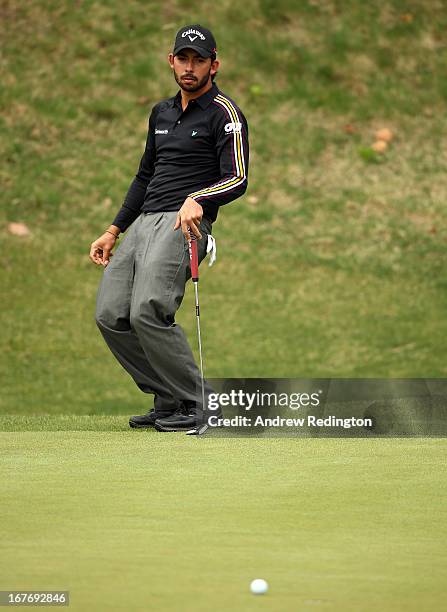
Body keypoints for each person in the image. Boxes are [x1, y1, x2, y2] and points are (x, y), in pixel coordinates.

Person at [90, 24, 249, 432]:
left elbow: (238, 177)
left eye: (199, 60)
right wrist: (113, 229)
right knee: (110, 313)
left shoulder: (224, 114)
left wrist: (199, 200)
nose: (190, 67)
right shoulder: (160, 113)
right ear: (171, 61)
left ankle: (199, 404)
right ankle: (169, 398)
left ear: (215, 65)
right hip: (143, 222)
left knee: (148, 310)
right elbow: (144, 176)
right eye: (183, 58)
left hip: (183, 224)